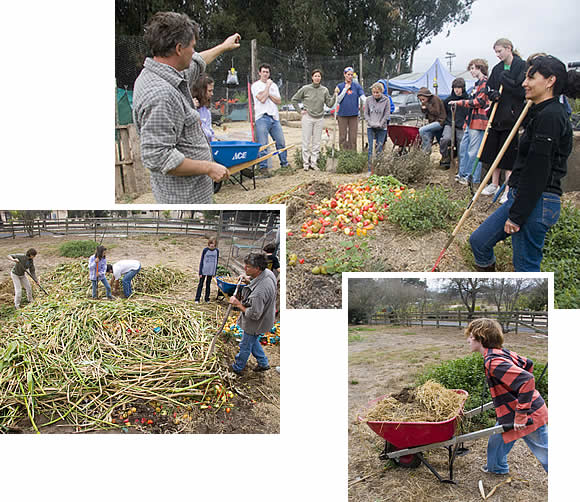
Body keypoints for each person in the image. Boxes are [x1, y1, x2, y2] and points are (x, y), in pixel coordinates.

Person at [470, 55, 580, 271]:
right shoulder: (540, 111)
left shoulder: (551, 116)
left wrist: (517, 216)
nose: (524, 83)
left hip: (538, 201)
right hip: (522, 196)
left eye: (531, 78)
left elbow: (538, 171)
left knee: (525, 267)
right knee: (479, 242)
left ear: (550, 81)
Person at [132, 12, 240, 203]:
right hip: (184, 197)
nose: (194, 52)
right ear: (179, 48)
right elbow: (158, 157)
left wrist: (223, 47)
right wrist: (208, 167)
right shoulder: (161, 95)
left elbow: (197, 62)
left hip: (195, 191)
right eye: (192, 46)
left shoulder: (167, 74)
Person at [465, 318, 548, 474]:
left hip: (530, 415)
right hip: (511, 411)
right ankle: (496, 468)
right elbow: (528, 363)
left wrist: (521, 414)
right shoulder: (500, 352)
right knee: (496, 441)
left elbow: (527, 379)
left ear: (480, 338)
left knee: (546, 455)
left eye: (470, 336)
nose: (468, 340)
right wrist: (515, 392)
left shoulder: (493, 362)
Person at [479, 39, 527, 203]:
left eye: (500, 51)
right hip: (497, 115)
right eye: (496, 52)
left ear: (509, 49)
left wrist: (506, 80)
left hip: (512, 116)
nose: (498, 55)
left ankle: (507, 188)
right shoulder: (497, 68)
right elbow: (490, 87)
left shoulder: (521, 65)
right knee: (494, 150)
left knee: (508, 154)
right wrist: (492, 94)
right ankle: (493, 184)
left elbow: (521, 90)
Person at [228, 253, 277, 375]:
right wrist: (248, 280)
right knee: (253, 340)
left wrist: (238, 304)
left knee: (245, 345)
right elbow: (257, 283)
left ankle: (237, 368)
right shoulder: (267, 273)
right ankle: (263, 363)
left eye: (248, 267)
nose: (245, 268)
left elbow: (254, 314)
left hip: (257, 322)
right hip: (266, 316)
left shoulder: (259, 292)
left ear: (257, 268)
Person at [450, 60, 490, 184]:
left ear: (480, 68)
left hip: (479, 122)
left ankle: (473, 178)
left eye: (473, 68)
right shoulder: (476, 84)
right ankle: (463, 174)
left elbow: (479, 102)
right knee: (464, 149)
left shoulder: (485, 82)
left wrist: (459, 102)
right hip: (471, 121)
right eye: (470, 68)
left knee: (474, 152)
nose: (471, 71)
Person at [291, 69, 337, 171]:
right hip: (308, 117)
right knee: (306, 141)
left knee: (316, 142)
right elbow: (294, 99)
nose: (317, 78)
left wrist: (334, 95)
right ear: (312, 77)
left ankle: (314, 162)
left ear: (321, 78)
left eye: (319, 76)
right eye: (315, 76)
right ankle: (305, 163)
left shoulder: (324, 90)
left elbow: (329, 104)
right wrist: (299, 111)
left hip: (319, 118)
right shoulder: (306, 89)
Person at [251, 64, 290, 176]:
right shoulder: (256, 86)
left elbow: (278, 101)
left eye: (267, 72)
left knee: (281, 142)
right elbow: (262, 99)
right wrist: (267, 87)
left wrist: (268, 94)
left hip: (274, 117)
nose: (265, 74)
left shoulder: (274, 86)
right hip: (262, 117)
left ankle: (284, 164)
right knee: (263, 144)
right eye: (263, 72)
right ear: (259, 73)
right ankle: (263, 168)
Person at [439, 77, 469, 168]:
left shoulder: (467, 100)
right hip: (449, 124)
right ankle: (445, 156)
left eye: (459, 88)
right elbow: (444, 113)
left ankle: (461, 166)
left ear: (463, 88)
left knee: (461, 144)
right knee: (445, 139)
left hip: (461, 126)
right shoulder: (448, 100)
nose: (456, 90)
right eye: (455, 87)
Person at [334, 67, 365, 151]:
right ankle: (343, 154)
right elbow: (338, 100)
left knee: (353, 136)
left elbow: (363, 97)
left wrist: (370, 103)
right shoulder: (339, 86)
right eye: (348, 74)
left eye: (351, 75)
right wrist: (345, 89)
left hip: (353, 115)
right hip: (342, 115)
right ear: (344, 75)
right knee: (342, 136)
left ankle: (352, 154)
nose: (350, 76)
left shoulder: (357, 86)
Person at [364, 82, 390, 172]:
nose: (375, 94)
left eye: (377, 92)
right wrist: (370, 122)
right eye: (374, 92)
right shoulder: (368, 100)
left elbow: (386, 114)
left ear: (381, 92)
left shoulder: (386, 100)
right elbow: (366, 113)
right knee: (370, 148)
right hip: (370, 126)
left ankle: (378, 168)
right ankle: (369, 169)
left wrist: (381, 123)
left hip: (381, 127)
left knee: (379, 148)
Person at [417, 87, 446, 154]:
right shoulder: (426, 102)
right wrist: (424, 108)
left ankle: (426, 151)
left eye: (423, 99)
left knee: (422, 130)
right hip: (432, 122)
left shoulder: (435, 99)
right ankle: (425, 155)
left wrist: (427, 105)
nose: (422, 101)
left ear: (427, 96)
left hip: (440, 121)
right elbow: (426, 113)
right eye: (420, 100)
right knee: (426, 134)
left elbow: (436, 112)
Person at [191, 73, 216, 142]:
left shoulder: (206, 110)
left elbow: (210, 132)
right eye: (209, 91)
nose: (212, 94)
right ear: (201, 91)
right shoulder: (190, 108)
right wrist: (191, 109)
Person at [195, 237, 219, 303]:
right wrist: (200, 272)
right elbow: (202, 261)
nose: (211, 245)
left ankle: (207, 298)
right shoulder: (205, 250)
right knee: (200, 284)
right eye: (210, 244)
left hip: (211, 271)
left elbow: (216, 261)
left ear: (215, 244)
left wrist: (214, 272)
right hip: (204, 270)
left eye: (213, 244)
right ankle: (197, 299)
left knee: (208, 285)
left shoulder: (216, 251)